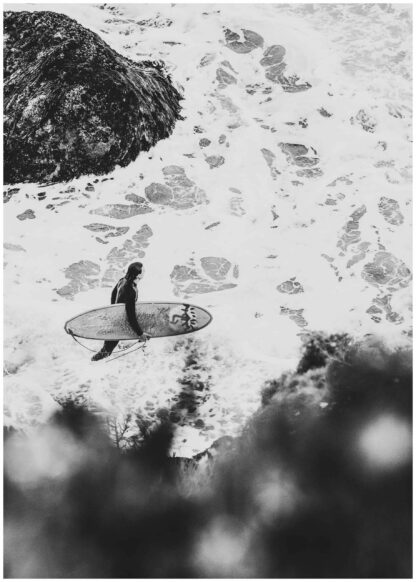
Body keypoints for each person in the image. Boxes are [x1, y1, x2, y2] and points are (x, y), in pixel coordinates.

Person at [91, 261, 150, 361]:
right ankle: (91, 363)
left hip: (115, 318)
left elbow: (113, 294)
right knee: (106, 351)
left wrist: (114, 310)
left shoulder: (122, 280)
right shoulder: (130, 290)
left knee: (108, 347)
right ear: (138, 274)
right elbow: (130, 315)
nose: (145, 271)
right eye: (143, 270)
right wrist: (140, 334)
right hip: (117, 324)